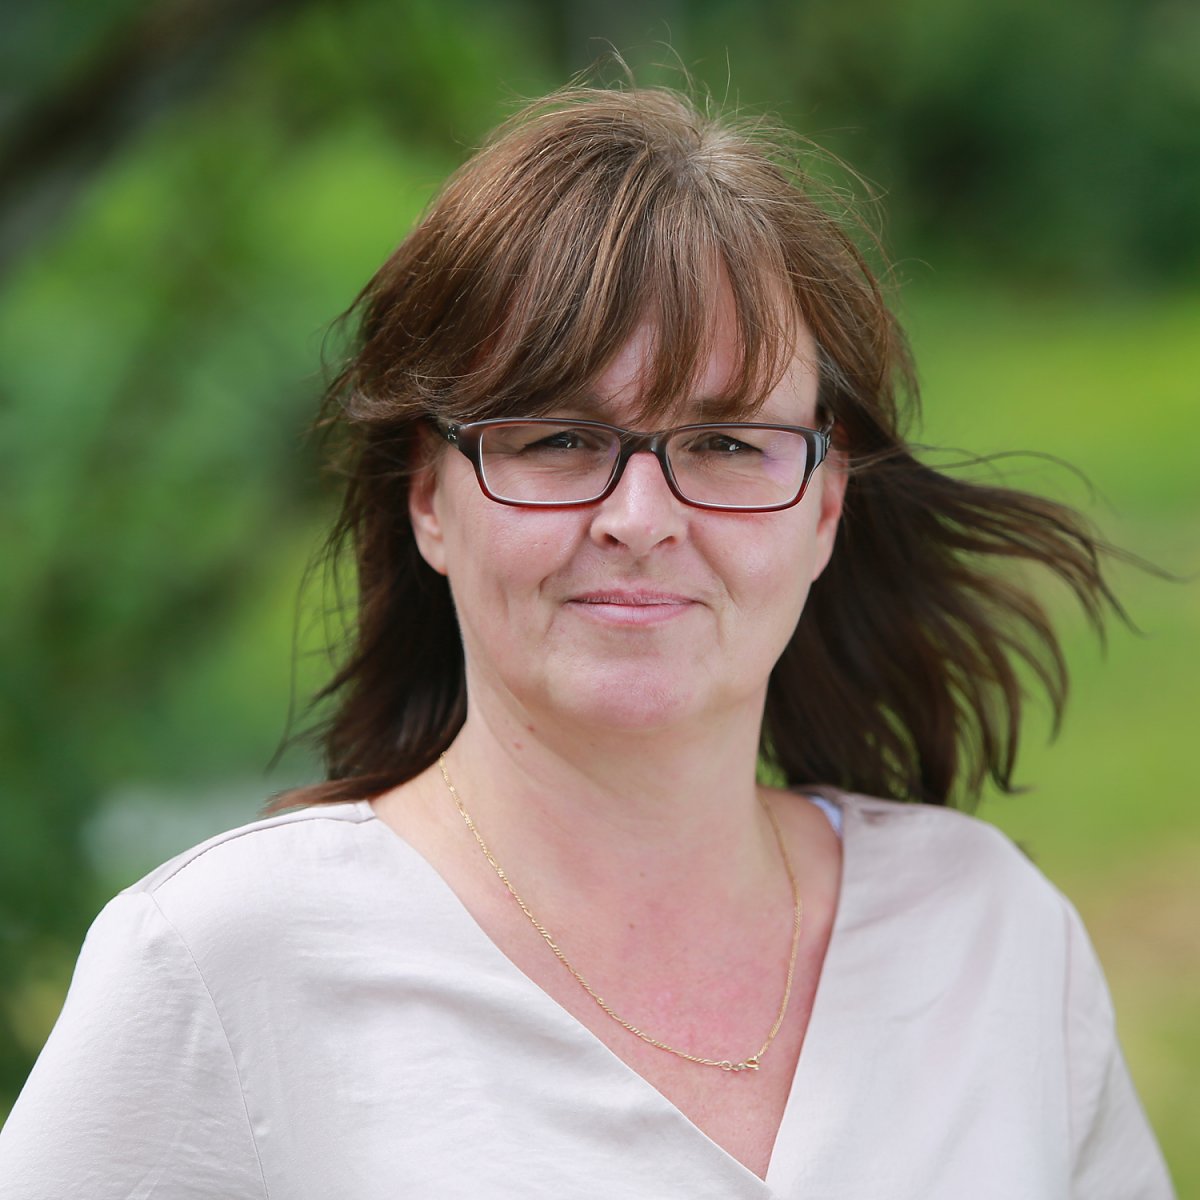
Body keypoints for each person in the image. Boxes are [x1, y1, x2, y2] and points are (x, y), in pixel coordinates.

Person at [0, 85, 1175, 1198]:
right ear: (429, 500)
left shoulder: (993, 937)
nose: (639, 518)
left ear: (824, 509)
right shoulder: (221, 969)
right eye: (558, 439)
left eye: (726, 443)